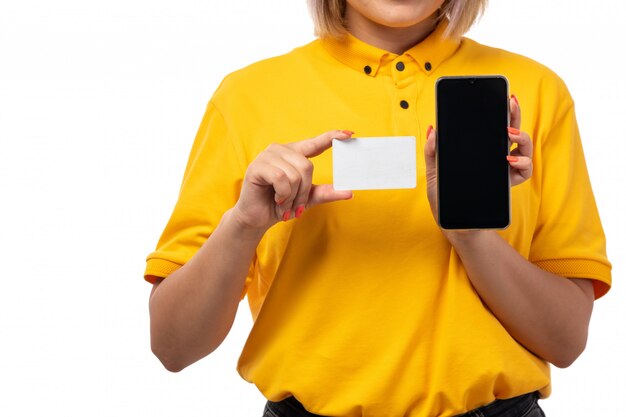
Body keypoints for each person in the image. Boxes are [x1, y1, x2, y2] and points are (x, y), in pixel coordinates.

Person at [144, 1, 612, 416]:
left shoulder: (535, 91)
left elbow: (566, 341)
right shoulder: (246, 97)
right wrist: (244, 224)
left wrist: (469, 231)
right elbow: (173, 346)